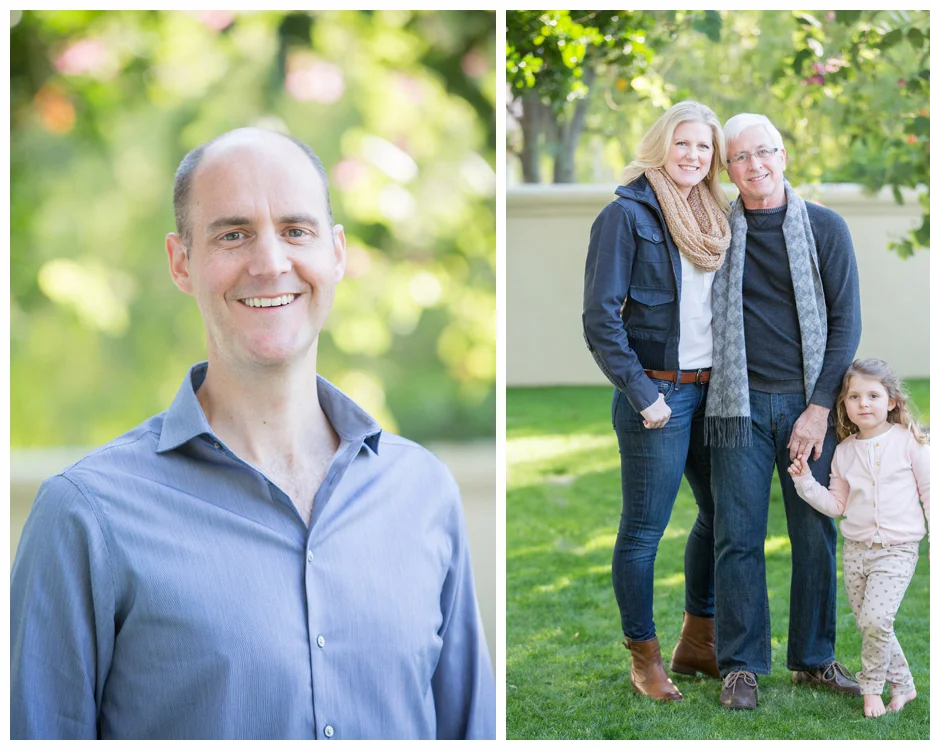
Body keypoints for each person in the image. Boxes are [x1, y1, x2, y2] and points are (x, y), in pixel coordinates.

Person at [9, 128, 496, 740]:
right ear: (181, 262)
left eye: (297, 231)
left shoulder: (422, 491)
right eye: (233, 234)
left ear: (336, 253)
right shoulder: (85, 516)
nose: (270, 263)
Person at [708, 112, 863, 710]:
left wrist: (820, 408)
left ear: (783, 155)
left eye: (764, 152)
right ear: (729, 170)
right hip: (736, 407)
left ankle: (815, 659)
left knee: (815, 533)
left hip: (807, 406)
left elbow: (845, 323)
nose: (755, 166)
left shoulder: (826, 228)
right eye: (742, 158)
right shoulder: (717, 233)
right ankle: (741, 666)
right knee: (737, 538)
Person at [582, 101, 732, 702]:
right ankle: (644, 658)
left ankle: (698, 640)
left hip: (712, 388)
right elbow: (600, 319)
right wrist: (644, 394)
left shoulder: (716, 217)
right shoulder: (626, 215)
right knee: (644, 531)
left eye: (704, 148)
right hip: (660, 395)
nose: (693, 156)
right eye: (683, 144)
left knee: (722, 514)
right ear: (660, 146)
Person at [788, 358, 930, 718]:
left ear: (892, 401)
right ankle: (904, 685)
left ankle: (871, 689)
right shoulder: (844, 452)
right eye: (854, 397)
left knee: (876, 621)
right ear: (844, 405)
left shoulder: (909, 443)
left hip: (898, 550)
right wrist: (804, 482)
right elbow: (835, 504)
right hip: (856, 552)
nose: (864, 403)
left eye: (873, 395)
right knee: (871, 623)